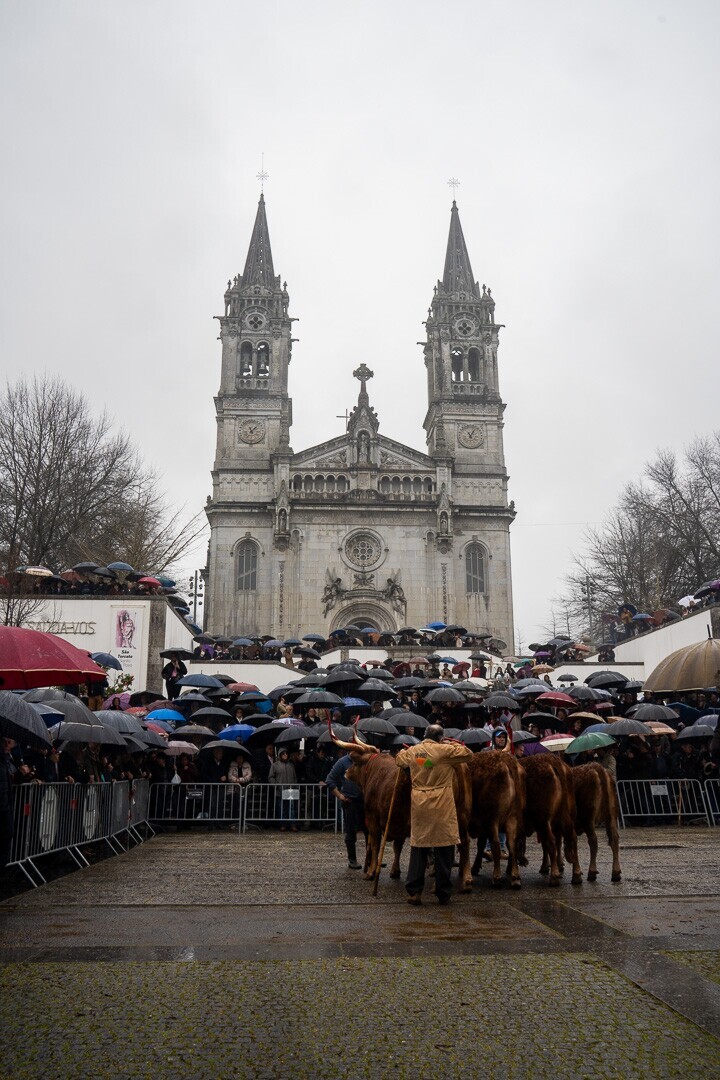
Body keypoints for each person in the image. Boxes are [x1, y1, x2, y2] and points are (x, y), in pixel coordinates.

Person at [395, 724, 472, 905]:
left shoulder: (414, 751)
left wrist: (413, 758)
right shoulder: (445, 751)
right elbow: (469, 754)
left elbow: (399, 759)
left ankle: (414, 892)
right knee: (444, 848)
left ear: (425, 735)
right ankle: (443, 892)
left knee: (419, 847)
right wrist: (453, 744)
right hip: (441, 803)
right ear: (441, 737)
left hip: (420, 803)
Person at [325, 749, 366, 869]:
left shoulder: (364, 761)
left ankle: (371, 858)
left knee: (370, 831)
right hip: (350, 801)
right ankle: (352, 860)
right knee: (351, 831)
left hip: (365, 801)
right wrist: (340, 796)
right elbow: (330, 780)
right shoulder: (342, 762)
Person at [268, 748, 298, 831]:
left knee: (291, 808)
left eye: (286, 753)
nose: (285, 755)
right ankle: (282, 824)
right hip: (280, 790)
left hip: (291, 790)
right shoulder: (275, 765)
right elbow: (271, 777)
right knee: (281, 808)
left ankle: (293, 824)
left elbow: (295, 777)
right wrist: (276, 786)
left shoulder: (291, 765)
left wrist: (295, 786)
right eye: (283, 753)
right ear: (280, 755)